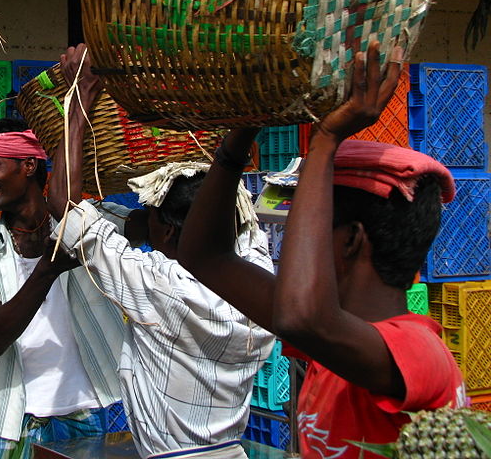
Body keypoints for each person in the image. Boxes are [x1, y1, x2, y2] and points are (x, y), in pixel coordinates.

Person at [177, 41, 466, 458]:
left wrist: (327, 139)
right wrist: (242, 133)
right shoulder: (336, 339)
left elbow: (301, 317)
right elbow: (205, 256)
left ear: (350, 239)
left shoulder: (420, 353)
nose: (294, 240)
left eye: (307, 226)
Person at [46, 44, 276, 459]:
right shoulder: (258, 273)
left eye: (150, 218)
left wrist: (79, 100)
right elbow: (232, 215)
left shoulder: (163, 288)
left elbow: (65, 208)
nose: (140, 224)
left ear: (169, 234)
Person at [0, 118, 125, 459]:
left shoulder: (85, 223)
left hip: (89, 410)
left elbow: (156, 226)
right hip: (14, 421)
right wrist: (47, 270)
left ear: (28, 165)